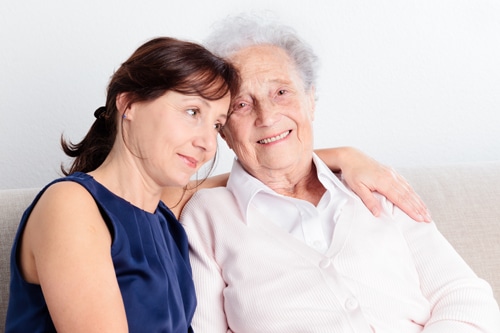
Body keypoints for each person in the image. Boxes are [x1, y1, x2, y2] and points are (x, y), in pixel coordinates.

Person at [180, 14, 500, 332]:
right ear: (222, 129)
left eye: (281, 93)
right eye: (242, 105)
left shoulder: (375, 186)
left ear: (310, 101)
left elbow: (464, 296)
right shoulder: (209, 216)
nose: (267, 116)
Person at [6, 36, 240, 333]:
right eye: (192, 112)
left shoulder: (164, 219)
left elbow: (246, 176)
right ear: (129, 104)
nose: (207, 143)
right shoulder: (70, 205)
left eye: (217, 125)